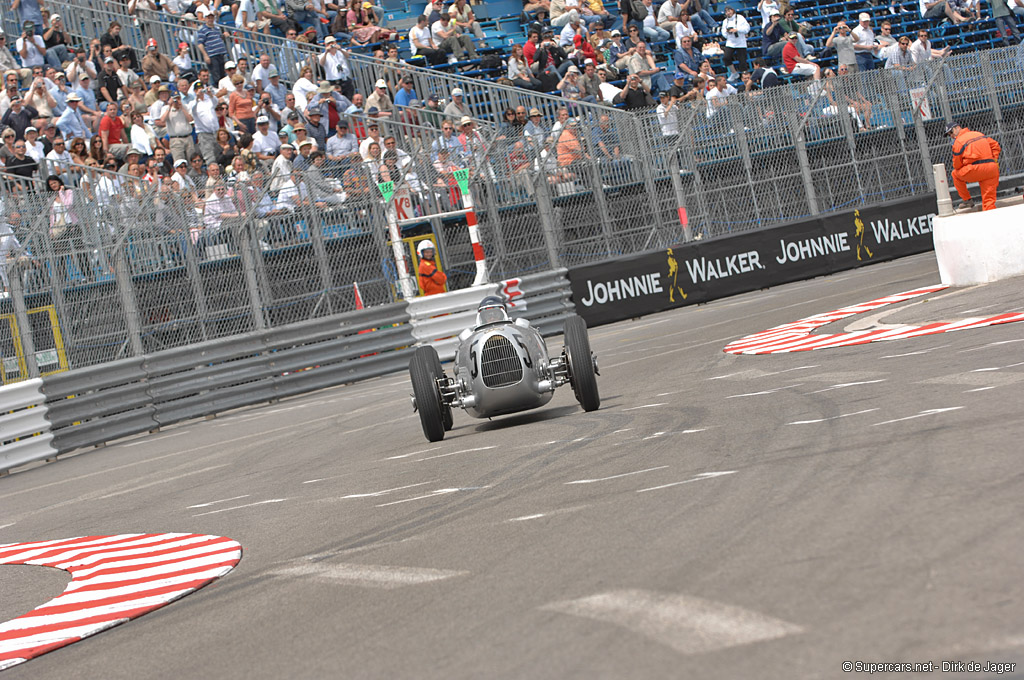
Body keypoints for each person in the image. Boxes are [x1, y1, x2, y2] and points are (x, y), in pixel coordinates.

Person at [948, 121, 1000, 212]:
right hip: (991, 169)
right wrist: (994, 160)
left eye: (951, 132)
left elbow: (957, 165)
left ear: (957, 128)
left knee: (955, 174)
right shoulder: (979, 134)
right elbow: (995, 146)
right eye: (949, 135)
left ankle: (967, 200)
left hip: (974, 169)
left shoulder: (958, 142)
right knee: (989, 202)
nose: (951, 136)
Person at [720, 5, 750, 83]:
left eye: (729, 10)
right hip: (730, 42)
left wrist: (737, 30)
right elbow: (723, 32)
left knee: (742, 61)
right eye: (726, 11)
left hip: (741, 42)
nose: (728, 13)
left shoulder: (740, 18)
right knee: (726, 58)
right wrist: (728, 32)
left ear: (733, 10)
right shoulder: (725, 21)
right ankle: (734, 73)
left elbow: (747, 29)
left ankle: (745, 79)